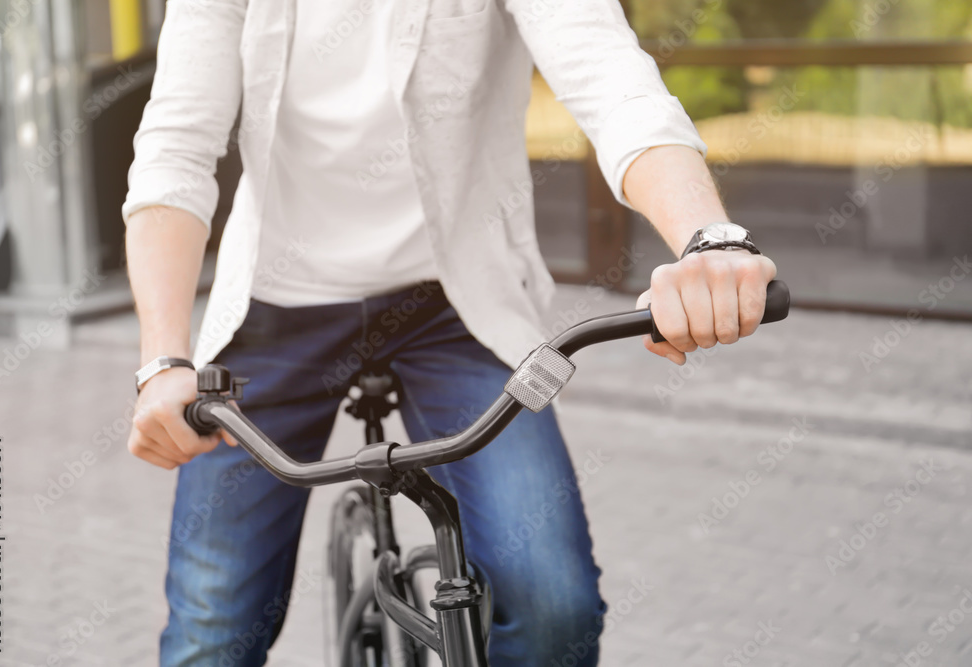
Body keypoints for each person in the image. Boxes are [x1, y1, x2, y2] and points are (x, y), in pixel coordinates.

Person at [123, 1, 777, 665]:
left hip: (455, 305)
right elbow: (177, 146)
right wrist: (163, 362)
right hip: (276, 308)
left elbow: (611, 80)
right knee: (211, 631)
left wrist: (708, 239)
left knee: (555, 610)